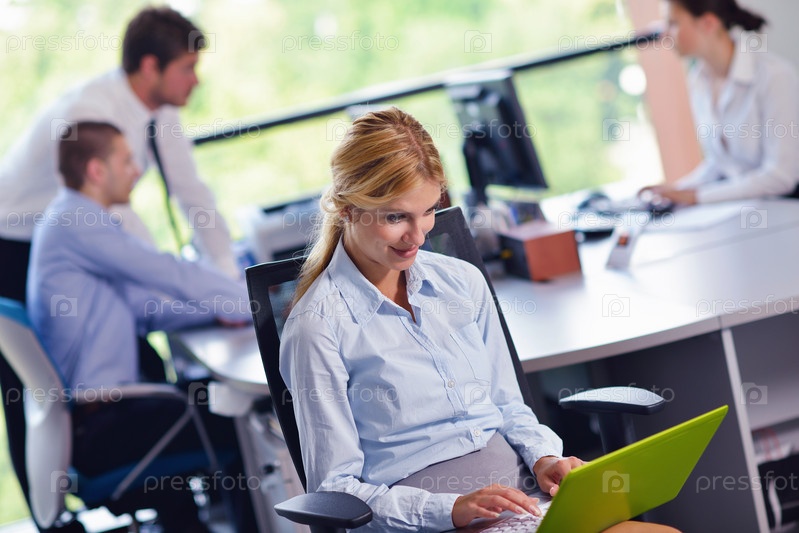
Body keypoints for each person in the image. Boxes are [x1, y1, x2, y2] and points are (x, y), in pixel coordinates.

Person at [280, 108, 679, 532]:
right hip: (431, 523)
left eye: (428, 211)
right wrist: (451, 509)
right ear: (346, 209)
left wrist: (544, 458)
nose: (418, 236)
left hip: (525, 503)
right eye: (396, 217)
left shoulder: (460, 281)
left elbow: (508, 406)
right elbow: (336, 490)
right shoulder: (317, 326)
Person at [0, 8, 239, 530]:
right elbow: (137, 256)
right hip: (13, 238)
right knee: (33, 393)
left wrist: (225, 286)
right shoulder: (90, 118)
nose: (196, 80)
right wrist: (232, 298)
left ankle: (177, 511)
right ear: (151, 67)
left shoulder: (158, 111)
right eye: (187, 68)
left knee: (135, 352)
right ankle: (52, 515)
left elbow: (191, 193)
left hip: (72, 240)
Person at [26, 122, 257, 533]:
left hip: (98, 422)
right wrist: (254, 303)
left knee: (216, 398)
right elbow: (167, 272)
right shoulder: (77, 222)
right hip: (107, 428)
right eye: (127, 160)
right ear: (96, 170)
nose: (137, 170)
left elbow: (145, 309)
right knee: (242, 420)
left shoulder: (70, 221)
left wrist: (216, 312)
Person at [641, 0, 799, 205]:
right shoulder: (698, 80)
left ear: (708, 23)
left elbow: (781, 177)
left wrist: (697, 197)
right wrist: (675, 191)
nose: (664, 34)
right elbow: (720, 164)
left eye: (673, 23)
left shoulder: (775, 76)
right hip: (744, 208)